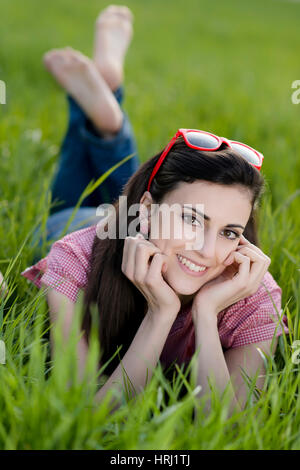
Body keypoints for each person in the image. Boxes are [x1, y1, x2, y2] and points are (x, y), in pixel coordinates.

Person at [21, 5, 289, 416]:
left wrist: (204, 312)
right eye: (192, 219)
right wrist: (160, 316)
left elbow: (230, 428)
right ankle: (108, 116)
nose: (205, 249)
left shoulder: (253, 293)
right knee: (77, 202)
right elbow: (82, 413)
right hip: (89, 224)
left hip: (140, 216)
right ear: (146, 212)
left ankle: (108, 114)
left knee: (136, 189)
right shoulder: (77, 256)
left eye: (229, 231)